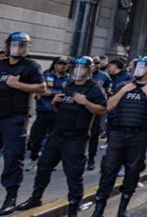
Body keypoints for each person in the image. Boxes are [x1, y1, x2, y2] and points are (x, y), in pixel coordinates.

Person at [17, 56, 107, 216]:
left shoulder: (94, 88)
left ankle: (73, 208)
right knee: (44, 167)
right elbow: (61, 110)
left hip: (76, 138)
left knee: (74, 174)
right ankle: (36, 197)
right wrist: (54, 103)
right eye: (76, 67)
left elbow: (101, 110)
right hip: (57, 134)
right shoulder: (69, 85)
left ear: (90, 70)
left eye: (83, 68)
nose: (79, 71)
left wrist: (86, 102)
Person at [91, 56, 147, 217]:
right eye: (137, 66)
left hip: (139, 134)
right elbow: (109, 106)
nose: (138, 70)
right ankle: (99, 209)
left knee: (133, 170)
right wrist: (124, 91)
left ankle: (122, 208)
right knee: (109, 169)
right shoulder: (123, 85)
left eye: (143, 67)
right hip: (118, 133)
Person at [0, 32, 46, 215]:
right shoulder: (1, 64)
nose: (17, 48)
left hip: (15, 118)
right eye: (14, 45)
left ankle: (10, 197)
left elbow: (41, 88)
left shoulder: (31, 66)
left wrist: (18, 85)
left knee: (12, 156)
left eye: (21, 45)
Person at [27, 56, 72, 170]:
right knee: (38, 136)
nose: (61, 66)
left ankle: (48, 162)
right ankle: (33, 159)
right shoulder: (46, 75)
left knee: (53, 138)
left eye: (64, 64)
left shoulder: (69, 79)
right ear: (55, 64)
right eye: (59, 63)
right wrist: (54, 94)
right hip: (43, 110)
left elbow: (67, 94)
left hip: (58, 112)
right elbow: (41, 90)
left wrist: (50, 93)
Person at [88, 55, 112, 170]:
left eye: (98, 63)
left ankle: (91, 158)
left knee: (93, 136)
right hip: (80, 110)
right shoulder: (81, 75)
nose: (96, 66)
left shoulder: (104, 77)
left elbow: (108, 92)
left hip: (96, 110)